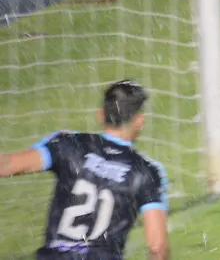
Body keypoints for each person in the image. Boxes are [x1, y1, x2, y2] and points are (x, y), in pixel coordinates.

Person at [0, 80, 169, 260]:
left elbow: (7, 166)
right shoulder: (147, 172)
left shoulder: (67, 144)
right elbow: (157, 246)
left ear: (101, 115)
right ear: (139, 122)